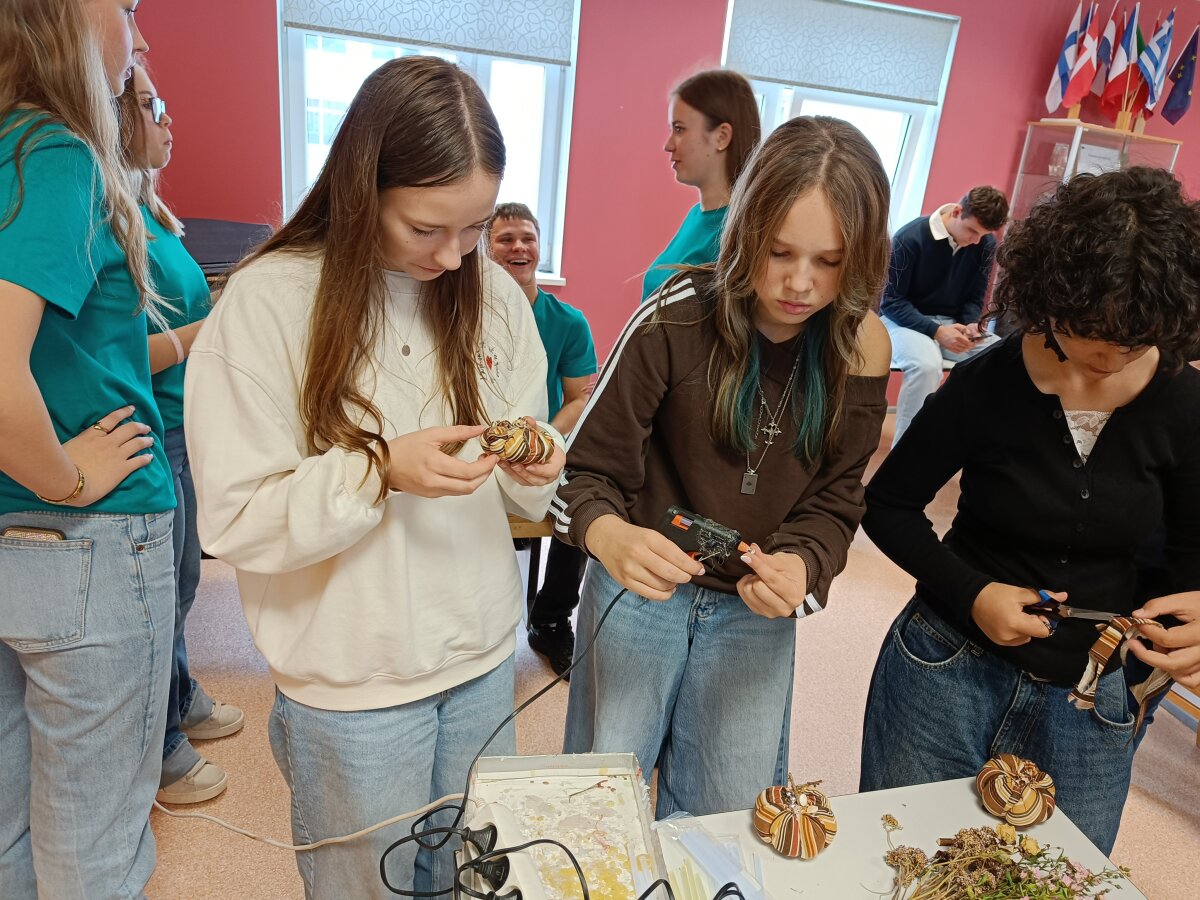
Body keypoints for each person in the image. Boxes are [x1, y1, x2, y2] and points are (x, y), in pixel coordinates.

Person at [184, 56, 565, 898]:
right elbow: (237, 518)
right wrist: (379, 472)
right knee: (365, 885)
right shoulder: (268, 302)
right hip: (352, 687)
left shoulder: (492, 295)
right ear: (362, 188)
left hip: (479, 657)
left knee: (474, 877)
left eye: (475, 228)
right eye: (426, 228)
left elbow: (522, 485)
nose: (454, 256)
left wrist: (538, 461)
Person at [554, 116, 893, 817]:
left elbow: (835, 503)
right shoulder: (674, 316)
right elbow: (583, 473)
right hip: (641, 593)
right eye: (779, 252)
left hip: (752, 611)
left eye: (829, 262)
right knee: (599, 806)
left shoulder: (863, 346)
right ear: (744, 231)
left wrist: (803, 564)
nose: (800, 283)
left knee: (726, 820)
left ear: (862, 258)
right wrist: (610, 536)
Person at [859, 167, 1200, 855]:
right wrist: (973, 592)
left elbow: (1191, 553)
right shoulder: (987, 382)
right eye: (1093, 332)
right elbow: (888, 505)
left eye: (1136, 341)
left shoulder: (1184, 403)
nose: (1112, 357)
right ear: (1053, 297)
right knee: (903, 867)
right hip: (946, 665)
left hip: (1093, 695)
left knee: (1062, 880)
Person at [0, 2, 176, 898]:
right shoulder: (56, 151)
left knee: (11, 824)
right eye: (127, 8)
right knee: (93, 844)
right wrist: (69, 479)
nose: (138, 38)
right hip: (85, 535)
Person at [116, 61, 245, 806]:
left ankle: (181, 694)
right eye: (150, 104)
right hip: (150, 425)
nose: (167, 119)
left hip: (179, 421)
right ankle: (162, 747)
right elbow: (120, 351)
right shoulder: (111, 218)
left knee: (185, 580)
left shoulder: (155, 214)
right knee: (161, 594)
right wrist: (210, 331)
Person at [486, 202, 597, 676]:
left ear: (540, 248)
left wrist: (544, 440)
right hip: (478, 446)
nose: (518, 247)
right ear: (485, 249)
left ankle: (550, 620)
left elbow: (578, 400)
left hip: (544, 445)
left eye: (527, 238)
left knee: (586, 496)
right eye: (505, 238)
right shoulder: (464, 313)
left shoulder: (568, 323)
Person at [881, 185, 1008, 443]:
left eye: (983, 234)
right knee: (927, 366)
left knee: (1004, 356)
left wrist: (971, 324)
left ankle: (972, 444)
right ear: (957, 212)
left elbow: (974, 298)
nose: (976, 240)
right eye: (972, 230)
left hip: (952, 325)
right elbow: (892, 303)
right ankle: (905, 452)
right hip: (902, 323)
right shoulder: (910, 237)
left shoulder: (984, 244)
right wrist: (937, 332)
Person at [641, 69, 761, 303]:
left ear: (721, 137)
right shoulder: (696, 215)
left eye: (679, 129)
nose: (668, 145)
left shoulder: (736, 235)